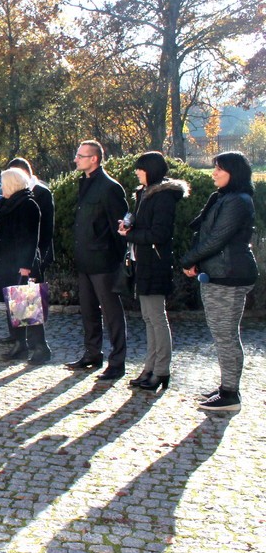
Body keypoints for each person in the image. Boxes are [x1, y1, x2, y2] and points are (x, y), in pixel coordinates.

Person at [180, 152, 259, 412]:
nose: (213, 173)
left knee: (226, 335)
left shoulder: (237, 201)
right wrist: (197, 262)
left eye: (219, 169)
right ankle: (227, 386)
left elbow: (217, 239)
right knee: (222, 334)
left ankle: (230, 395)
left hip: (230, 275)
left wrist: (189, 259)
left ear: (234, 173)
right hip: (220, 272)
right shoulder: (226, 197)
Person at [117, 152, 188, 392]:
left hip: (155, 263)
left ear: (151, 170)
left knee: (157, 318)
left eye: (141, 168)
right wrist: (129, 226)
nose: (137, 172)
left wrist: (131, 235)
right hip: (143, 262)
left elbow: (160, 234)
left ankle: (161, 370)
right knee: (149, 318)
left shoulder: (163, 197)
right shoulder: (144, 194)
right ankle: (150, 367)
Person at [0, 168, 51, 364]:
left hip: (21, 263)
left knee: (28, 307)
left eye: (4, 183)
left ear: (12, 184)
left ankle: (41, 347)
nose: (1, 187)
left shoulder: (28, 204)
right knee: (14, 306)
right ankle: (20, 344)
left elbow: (31, 237)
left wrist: (26, 265)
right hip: (5, 262)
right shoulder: (4, 203)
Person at [66, 140, 130, 381]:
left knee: (112, 313)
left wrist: (117, 260)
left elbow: (119, 228)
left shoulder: (110, 187)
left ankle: (117, 362)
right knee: (88, 310)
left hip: (104, 261)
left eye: (80, 156)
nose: (76, 159)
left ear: (94, 159)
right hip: (85, 259)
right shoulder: (84, 183)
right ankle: (92, 353)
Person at [0, 157, 55, 345]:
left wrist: (35, 260)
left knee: (29, 302)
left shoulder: (37, 196)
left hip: (30, 257)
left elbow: (42, 231)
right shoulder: (11, 199)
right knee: (16, 299)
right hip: (16, 257)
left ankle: (35, 343)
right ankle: (18, 337)